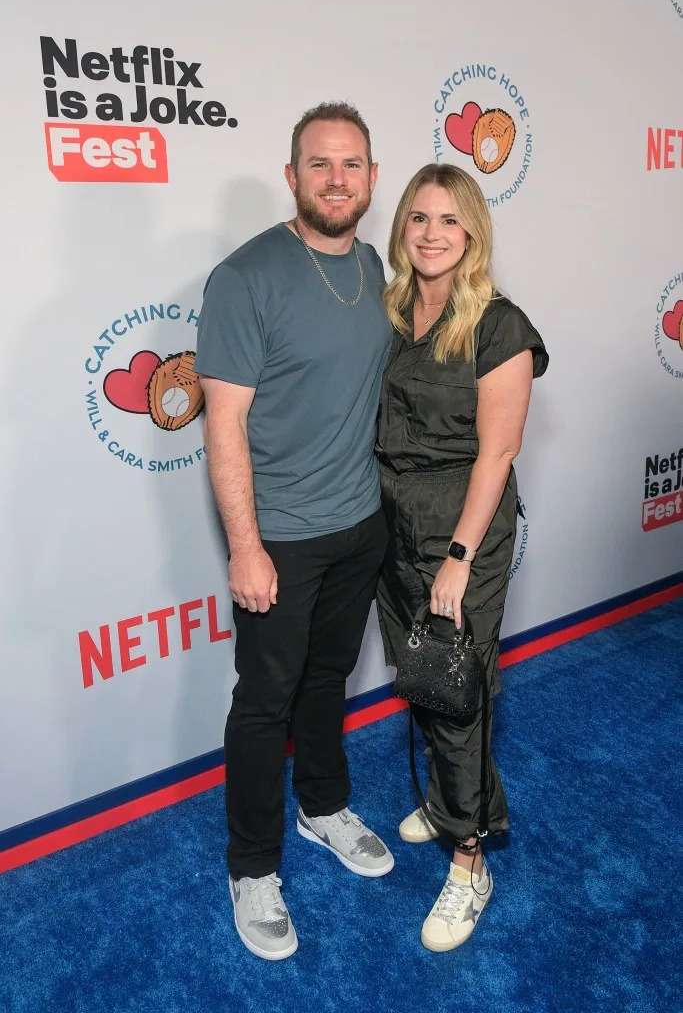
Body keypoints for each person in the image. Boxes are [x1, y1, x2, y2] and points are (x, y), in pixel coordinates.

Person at [194, 102, 394, 961]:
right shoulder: (245, 278)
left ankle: (322, 807)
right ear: (292, 176)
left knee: (329, 678)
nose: (336, 179)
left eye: (350, 164)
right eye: (319, 164)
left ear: (372, 178)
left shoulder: (376, 264)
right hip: (281, 537)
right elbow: (223, 425)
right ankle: (252, 866)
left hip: (359, 523)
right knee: (263, 701)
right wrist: (245, 545)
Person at [375, 163, 549, 951]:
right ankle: (451, 799)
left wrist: (456, 556)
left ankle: (469, 859)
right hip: (387, 519)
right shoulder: (390, 310)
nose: (431, 233)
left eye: (448, 219)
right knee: (421, 677)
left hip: (460, 530)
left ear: (472, 230)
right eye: (417, 218)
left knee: (458, 694)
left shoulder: (499, 323)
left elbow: (497, 453)